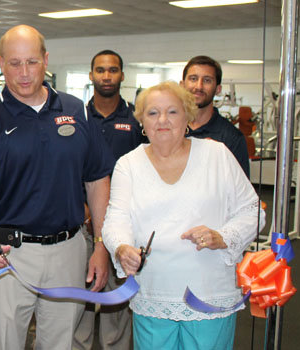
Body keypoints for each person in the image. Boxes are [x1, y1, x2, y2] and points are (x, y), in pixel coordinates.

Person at [0, 25, 114, 350]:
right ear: (1, 63)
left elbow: (97, 180)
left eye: (32, 62)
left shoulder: (76, 111)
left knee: (60, 344)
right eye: (14, 63)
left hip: (68, 250)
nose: (24, 73)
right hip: (7, 253)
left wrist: (100, 245)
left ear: (45, 60)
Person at [102, 81, 263, 349]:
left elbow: (252, 211)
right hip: (153, 293)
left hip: (209, 293)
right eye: (153, 113)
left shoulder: (217, 156)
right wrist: (121, 248)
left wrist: (222, 237)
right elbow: (116, 219)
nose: (162, 120)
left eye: (172, 112)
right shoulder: (128, 164)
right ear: (142, 120)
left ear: (187, 117)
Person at [74, 49, 139, 350]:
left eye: (113, 70)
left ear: (122, 75)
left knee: (116, 305)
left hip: (123, 226)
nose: (106, 76)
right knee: (80, 302)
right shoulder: (77, 117)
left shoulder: (137, 120)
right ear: (91, 76)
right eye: (100, 70)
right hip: (82, 222)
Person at [181, 55, 250, 177]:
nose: (199, 86)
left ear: (218, 89)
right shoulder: (168, 130)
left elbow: (240, 191)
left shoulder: (232, 138)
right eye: (193, 79)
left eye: (207, 80)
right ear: (182, 85)